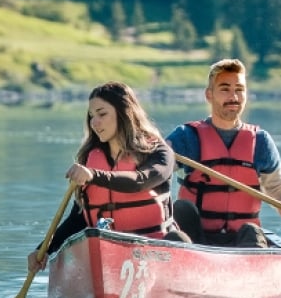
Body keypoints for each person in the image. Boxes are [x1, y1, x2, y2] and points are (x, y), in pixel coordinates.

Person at [29, 81, 183, 273]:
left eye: (102, 114)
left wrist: (93, 175)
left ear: (124, 112)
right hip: (108, 254)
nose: (94, 122)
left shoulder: (159, 153)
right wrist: (44, 249)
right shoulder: (90, 160)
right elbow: (78, 219)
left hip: (155, 251)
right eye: (92, 116)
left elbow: (141, 181)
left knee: (179, 238)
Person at [165, 59, 281, 247]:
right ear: (209, 95)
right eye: (225, 89)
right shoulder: (186, 137)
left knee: (251, 231)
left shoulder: (260, 142)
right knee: (182, 210)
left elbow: (279, 191)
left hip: (242, 240)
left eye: (239, 89)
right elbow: (156, 171)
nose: (233, 96)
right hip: (196, 240)